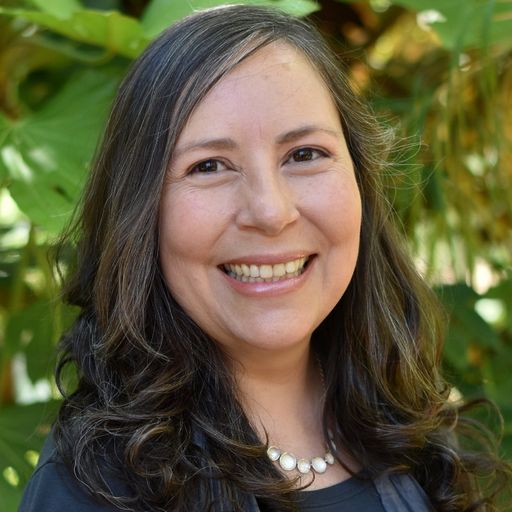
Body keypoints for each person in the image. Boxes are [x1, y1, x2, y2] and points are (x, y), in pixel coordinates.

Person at [19, 5, 510, 512]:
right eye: (209, 166)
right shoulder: (96, 490)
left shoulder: (411, 434)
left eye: (304, 154)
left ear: (361, 180)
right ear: (140, 213)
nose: (271, 212)